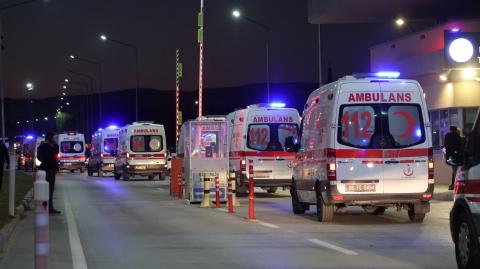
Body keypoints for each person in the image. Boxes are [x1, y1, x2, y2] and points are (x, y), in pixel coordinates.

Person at [37, 133, 61, 214]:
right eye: (54, 137)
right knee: (46, 190)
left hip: (52, 169)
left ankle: (50, 207)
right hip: (46, 170)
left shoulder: (53, 146)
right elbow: (39, 157)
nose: (55, 139)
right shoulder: (43, 146)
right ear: (50, 138)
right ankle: (45, 208)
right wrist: (47, 161)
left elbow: (56, 151)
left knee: (51, 190)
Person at [444, 126, 462, 190]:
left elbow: (446, 145)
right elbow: (460, 146)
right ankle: (455, 185)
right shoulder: (458, 136)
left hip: (450, 157)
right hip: (457, 157)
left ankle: (454, 185)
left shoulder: (447, 136)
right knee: (456, 171)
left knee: (455, 171)